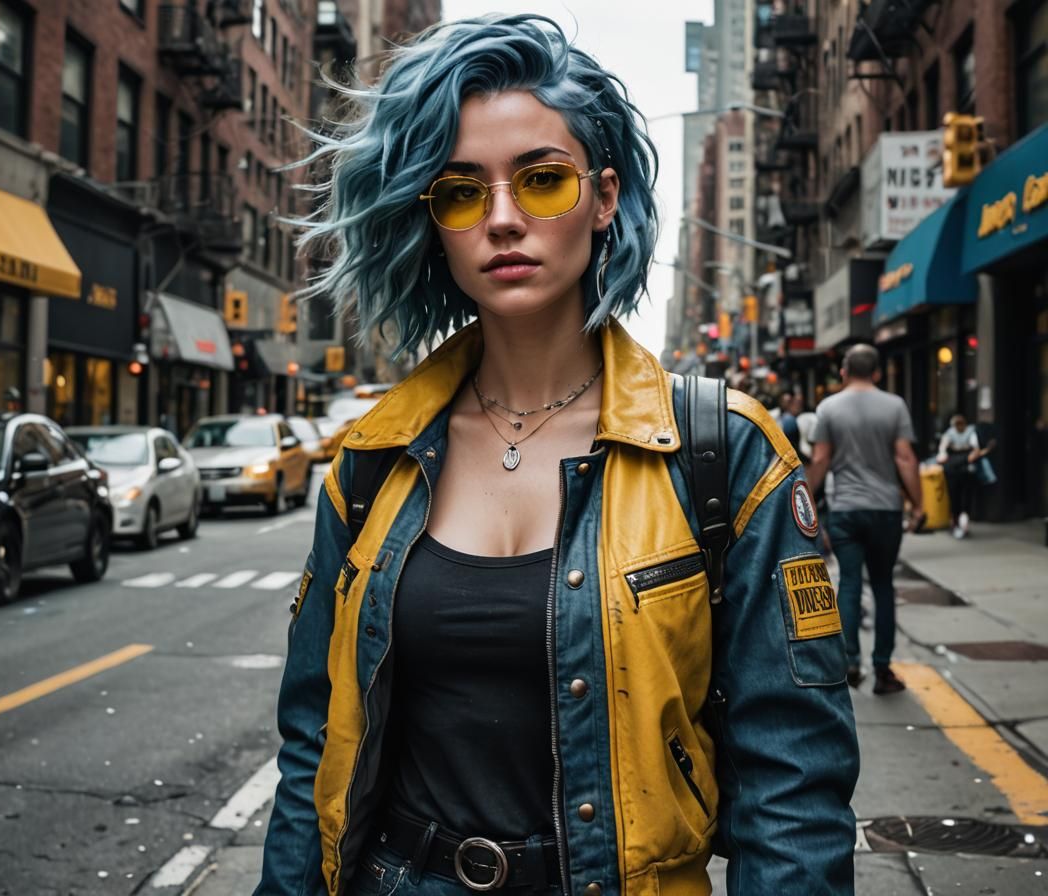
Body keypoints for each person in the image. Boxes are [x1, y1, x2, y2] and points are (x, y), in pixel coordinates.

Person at [256, 15, 858, 896]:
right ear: (435, 223)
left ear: (604, 197)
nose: (502, 220)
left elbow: (792, 785)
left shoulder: (722, 454)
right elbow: (313, 741)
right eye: (462, 193)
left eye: (541, 181)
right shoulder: (371, 461)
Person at [807, 344, 925, 696]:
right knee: (883, 586)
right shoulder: (895, 406)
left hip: (845, 509)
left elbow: (821, 459)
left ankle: (849, 662)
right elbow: (905, 458)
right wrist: (918, 505)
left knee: (850, 584)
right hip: (886, 509)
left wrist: (807, 502)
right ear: (877, 373)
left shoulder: (828, 407)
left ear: (843, 371)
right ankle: (883, 670)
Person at [936, 413, 982, 538]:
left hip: (966, 466)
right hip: (953, 467)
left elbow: (976, 449)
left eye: (962, 424)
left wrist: (970, 457)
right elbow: (942, 449)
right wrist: (943, 455)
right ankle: (955, 521)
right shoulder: (949, 434)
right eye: (957, 424)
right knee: (954, 495)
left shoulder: (971, 433)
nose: (960, 427)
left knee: (966, 495)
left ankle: (963, 522)